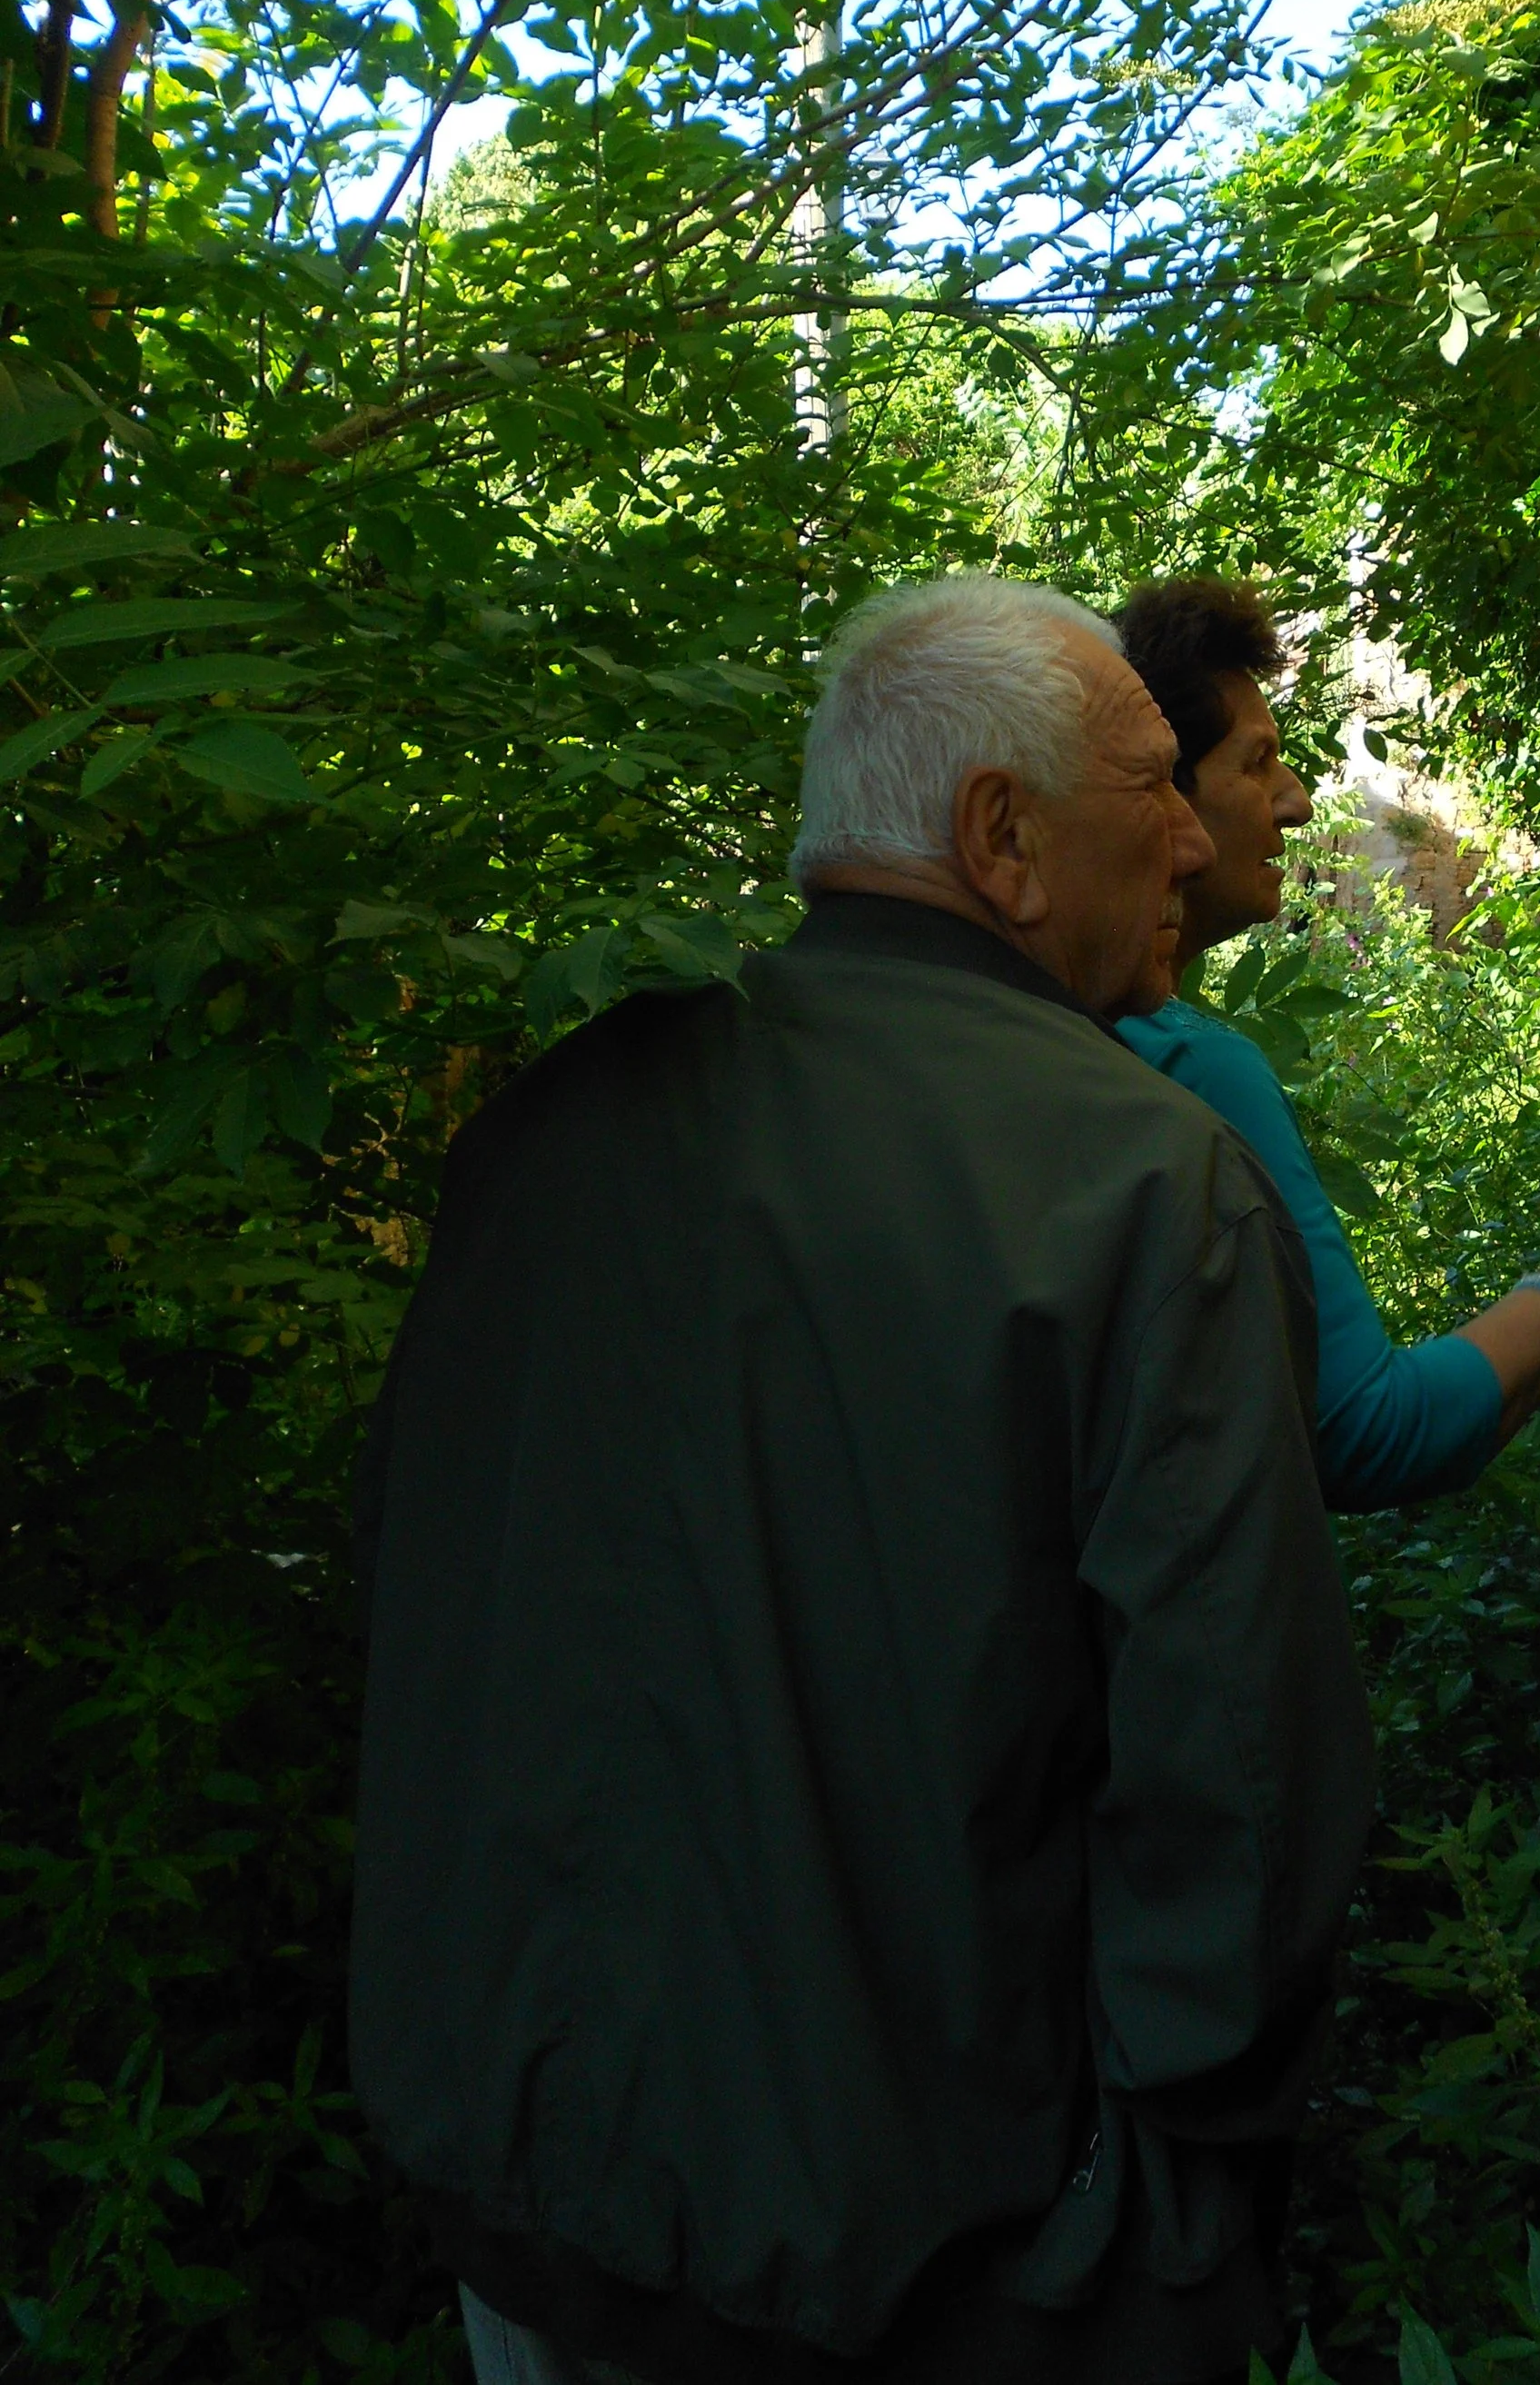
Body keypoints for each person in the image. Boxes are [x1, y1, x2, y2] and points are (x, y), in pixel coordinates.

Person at [350, 575, 1377, 2385]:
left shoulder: (545, 1131)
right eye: (1147, 784)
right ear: (999, 833)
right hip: (938, 2277)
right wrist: (1149, 2220)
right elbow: (1235, 1786)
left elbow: (436, 1641)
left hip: (528, 2227)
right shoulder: (1144, 1181)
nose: (1188, 832)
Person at [1113, 578, 1540, 1511]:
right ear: (1164, 800)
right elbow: (1361, 1432)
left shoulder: (1027, 1023)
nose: (1295, 804)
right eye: (1258, 765)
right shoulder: (1190, 1064)